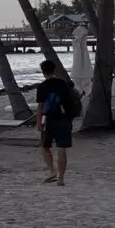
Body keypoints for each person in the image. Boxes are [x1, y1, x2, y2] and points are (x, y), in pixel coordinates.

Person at [36, 59, 75, 187]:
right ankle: (61, 179)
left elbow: (41, 107)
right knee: (61, 149)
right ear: (54, 70)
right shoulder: (62, 83)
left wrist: (39, 123)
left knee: (45, 146)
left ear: (43, 72)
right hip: (63, 119)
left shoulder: (42, 86)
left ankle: (52, 171)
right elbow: (69, 101)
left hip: (48, 120)